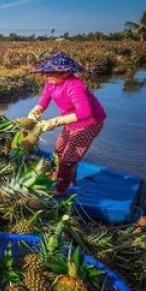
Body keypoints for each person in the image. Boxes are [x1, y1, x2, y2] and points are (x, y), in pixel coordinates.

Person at [27, 51, 106, 195]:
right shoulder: (51, 84)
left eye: (52, 72)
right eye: (46, 72)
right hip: (71, 120)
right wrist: (33, 114)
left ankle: (60, 189)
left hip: (90, 122)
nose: (47, 75)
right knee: (58, 150)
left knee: (68, 158)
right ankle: (66, 177)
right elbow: (43, 102)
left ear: (66, 72)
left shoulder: (74, 86)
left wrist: (56, 121)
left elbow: (84, 112)